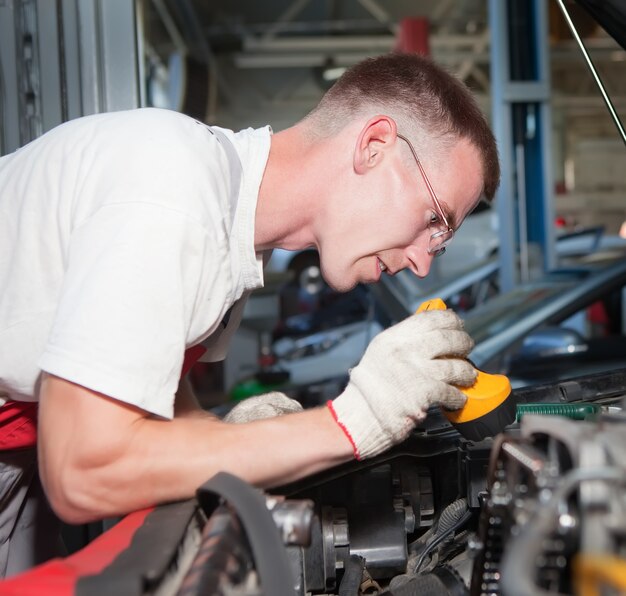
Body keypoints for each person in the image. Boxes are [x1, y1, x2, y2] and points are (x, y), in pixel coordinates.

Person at [0, 52, 499, 576]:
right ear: (374, 147)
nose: (422, 262)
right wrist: (348, 424)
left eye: (439, 244)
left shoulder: (230, 237)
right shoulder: (173, 194)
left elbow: (160, 409)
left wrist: (234, 433)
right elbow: (83, 469)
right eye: (433, 220)